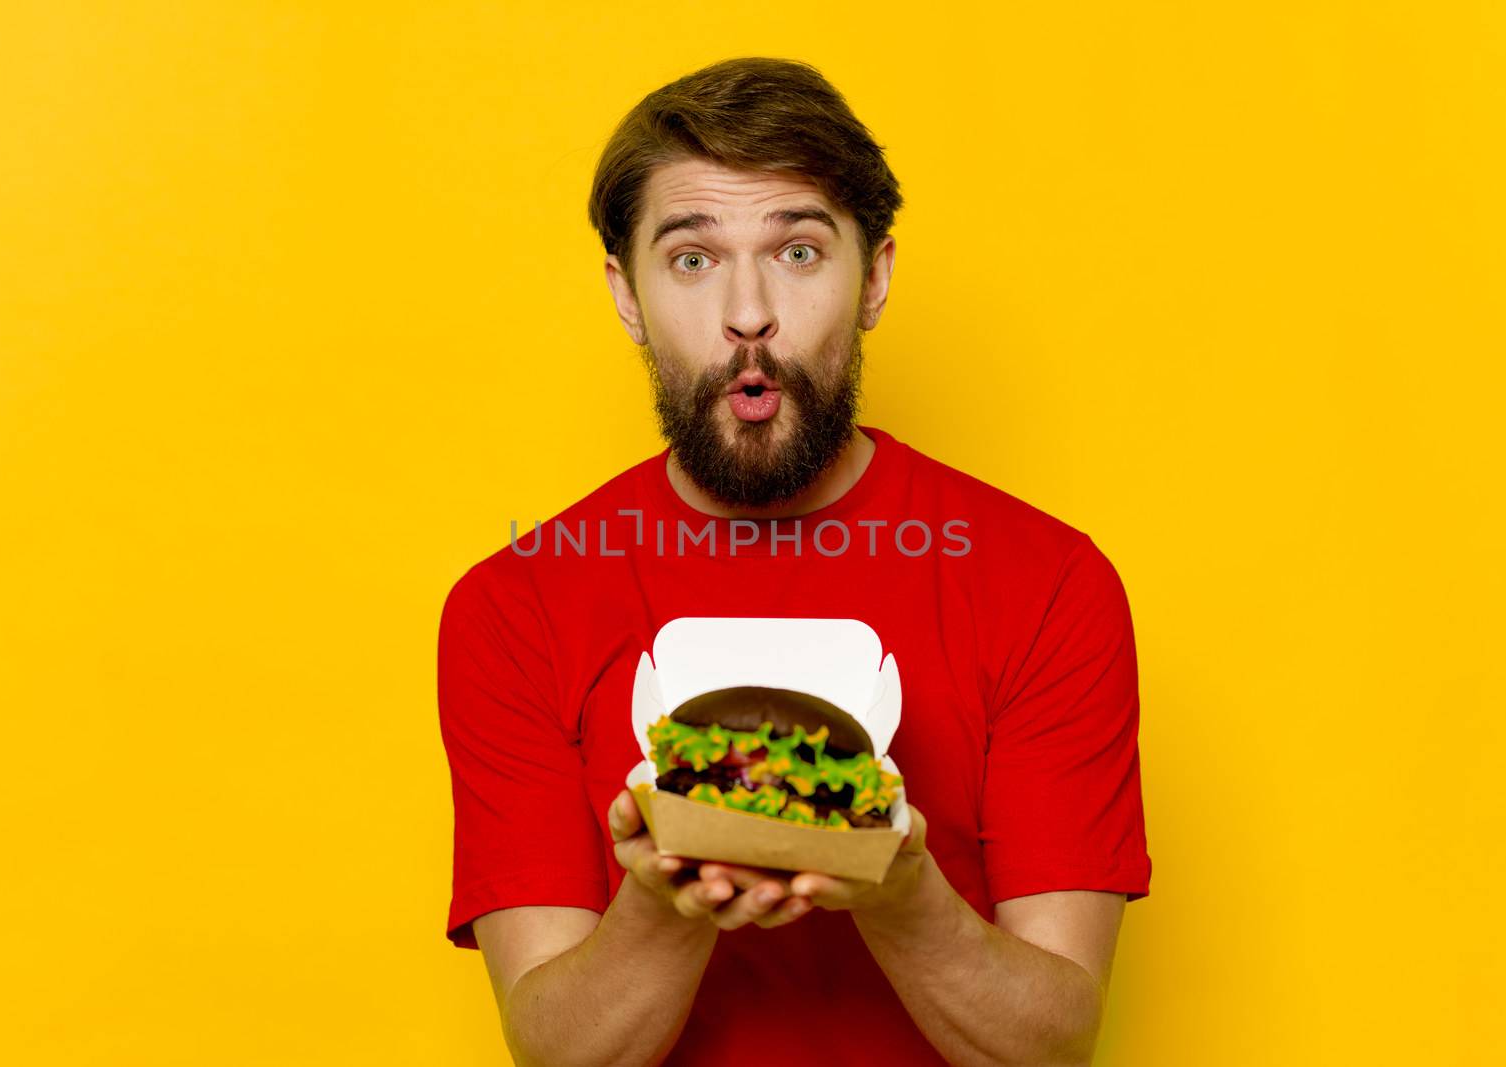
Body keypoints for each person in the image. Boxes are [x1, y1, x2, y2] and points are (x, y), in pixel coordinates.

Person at [437, 56, 1152, 1067]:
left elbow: (1048, 1046)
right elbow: (558, 1052)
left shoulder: (1045, 582)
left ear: (876, 277)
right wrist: (670, 889)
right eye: (690, 258)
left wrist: (896, 887)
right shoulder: (512, 606)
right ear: (626, 294)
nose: (748, 313)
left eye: (800, 251)